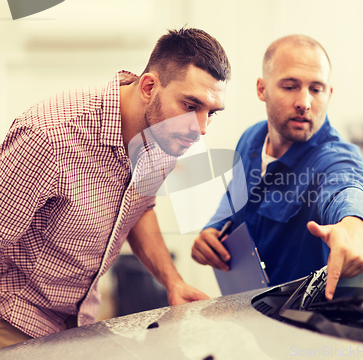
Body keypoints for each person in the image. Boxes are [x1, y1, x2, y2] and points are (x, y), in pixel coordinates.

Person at [0, 27, 230, 348]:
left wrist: (172, 282)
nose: (201, 130)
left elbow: (138, 210)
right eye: (191, 106)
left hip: (79, 324)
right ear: (149, 86)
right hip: (13, 318)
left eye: (211, 113)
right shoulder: (49, 136)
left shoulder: (163, 140)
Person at [191, 35, 363, 300]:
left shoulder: (333, 158)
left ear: (329, 94)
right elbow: (236, 197)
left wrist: (355, 225)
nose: (305, 102)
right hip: (248, 311)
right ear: (262, 89)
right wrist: (214, 228)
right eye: (290, 86)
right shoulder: (250, 140)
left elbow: (347, 187)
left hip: (302, 325)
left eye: (316, 89)